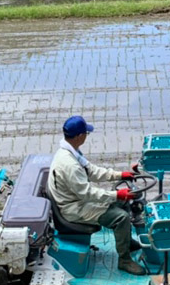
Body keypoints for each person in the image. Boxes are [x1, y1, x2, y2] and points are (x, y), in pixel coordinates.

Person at [47, 115, 147, 276]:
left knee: (123, 203)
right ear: (80, 136)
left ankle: (126, 242)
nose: (87, 135)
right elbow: (87, 193)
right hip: (73, 208)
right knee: (121, 217)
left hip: (76, 200)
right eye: (86, 133)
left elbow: (91, 170)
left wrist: (120, 175)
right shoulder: (69, 164)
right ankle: (125, 260)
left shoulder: (70, 151)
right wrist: (117, 195)